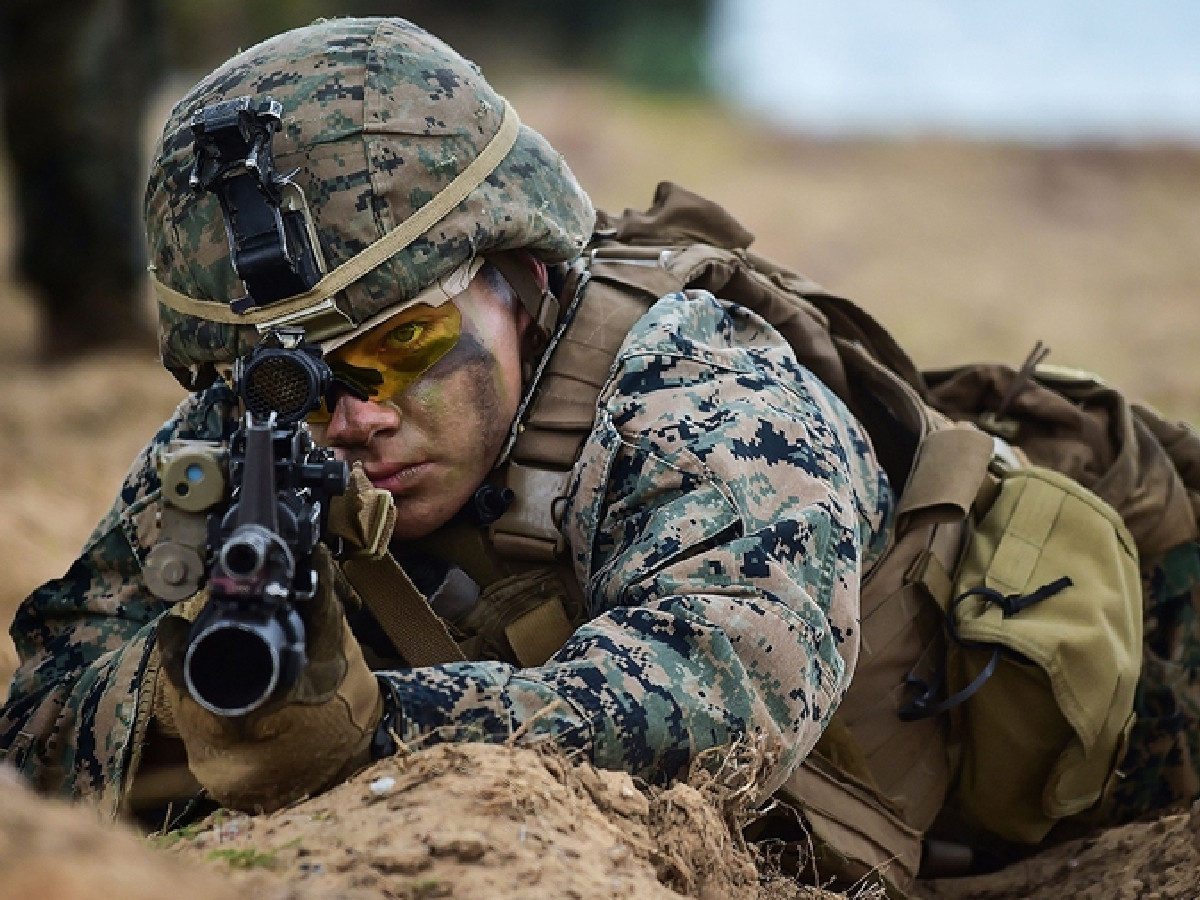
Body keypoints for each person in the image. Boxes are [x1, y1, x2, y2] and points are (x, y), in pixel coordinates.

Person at [3, 16, 1200, 892]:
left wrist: (369, 730)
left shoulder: (701, 387)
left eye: (401, 345)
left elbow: (717, 696)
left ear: (519, 280)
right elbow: (42, 708)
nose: (348, 417)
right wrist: (178, 701)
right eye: (289, 380)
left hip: (1124, 747)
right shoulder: (248, 439)